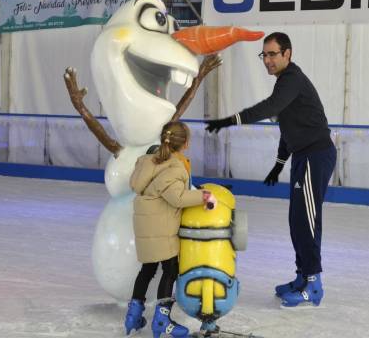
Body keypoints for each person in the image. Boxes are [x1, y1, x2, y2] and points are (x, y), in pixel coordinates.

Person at [205, 32, 336, 308]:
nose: (267, 60)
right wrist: (278, 165)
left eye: (272, 54)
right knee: (297, 219)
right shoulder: (284, 84)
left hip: (316, 155)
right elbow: (287, 129)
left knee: (308, 221)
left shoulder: (292, 80)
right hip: (303, 157)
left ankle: (313, 284)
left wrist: (231, 120)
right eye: (264, 55)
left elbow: (270, 108)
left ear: (287, 54)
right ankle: (302, 277)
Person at [124, 121, 217, 337]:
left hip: (146, 226)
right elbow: (177, 197)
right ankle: (162, 320)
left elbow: (161, 189)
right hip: (163, 228)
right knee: (170, 270)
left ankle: (133, 316)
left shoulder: (147, 161)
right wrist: (205, 197)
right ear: (184, 144)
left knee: (147, 270)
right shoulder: (175, 167)